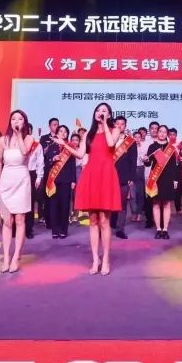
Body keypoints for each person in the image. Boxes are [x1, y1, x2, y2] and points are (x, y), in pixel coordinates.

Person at [55, 102, 122, 275]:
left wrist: (105, 124)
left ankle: (106, 259)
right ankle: (95, 259)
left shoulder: (114, 130)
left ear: (109, 115)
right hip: (91, 174)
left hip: (106, 174)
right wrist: (64, 144)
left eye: (104, 111)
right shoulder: (88, 134)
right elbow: (80, 154)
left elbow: (110, 143)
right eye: (98, 110)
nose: (100, 113)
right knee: (93, 220)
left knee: (104, 220)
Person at [0, 110, 34, 273]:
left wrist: (19, 135)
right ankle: (6, 257)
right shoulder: (3, 140)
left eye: (20, 119)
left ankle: (16, 256)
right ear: (10, 122)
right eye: (13, 119)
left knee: (20, 219)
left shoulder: (28, 138)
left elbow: (24, 152)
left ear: (24, 122)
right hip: (6, 180)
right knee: (7, 221)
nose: (16, 121)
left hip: (21, 180)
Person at [144, 124, 180, 239]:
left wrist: (175, 180)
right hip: (156, 178)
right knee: (156, 203)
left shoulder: (171, 148)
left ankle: (165, 230)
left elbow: (174, 166)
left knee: (166, 204)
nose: (162, 134)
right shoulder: (152, 146)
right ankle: (158, 229)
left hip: (168, 178)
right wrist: (145, 160)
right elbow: (148, 163)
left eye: (165, 132)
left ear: (167, 134)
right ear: (157, 132)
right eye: (160, 131)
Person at [45, 125, 76, 238]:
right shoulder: (51, 147)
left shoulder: (70, 147)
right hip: (54, 180)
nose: (63, 133)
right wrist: (53, 159)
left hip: (66, 180)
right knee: (54, 206)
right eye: (61, 131)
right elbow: (47, 162)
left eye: (65, 132)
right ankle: (55, 230)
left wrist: (73, 180)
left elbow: (73, 165)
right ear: (57, 133)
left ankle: (63, 230)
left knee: (65, 206)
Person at [110, 116, 137, 239]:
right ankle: (107, 226)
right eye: (118, 124)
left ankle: (120, 229)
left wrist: (131, 177)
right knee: (107, 203)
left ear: (125, 126)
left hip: (124, 177)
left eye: (122, 124)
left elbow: (133, 160)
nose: (120, 126)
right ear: (114, 125)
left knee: (122, 204)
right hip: (108, 176)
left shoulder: (130, 141)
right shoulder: (109, 139)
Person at [26, 126, 43, 240]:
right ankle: (15, 227)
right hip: (18, 173)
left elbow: (40, 162)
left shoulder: (37, 145)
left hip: (31, 174)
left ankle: (29, 228)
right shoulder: (16, 143)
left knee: (29, 202)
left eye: (28, 130)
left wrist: (38, 177)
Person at [131, 127, 149, 224]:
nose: (137, 139)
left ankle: (139, 213)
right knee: (133, 195)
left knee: (141, 194)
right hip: (132, 171)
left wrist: (145, 158)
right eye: (135, 137)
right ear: (132, 138)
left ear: (141, 138)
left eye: (139, 137)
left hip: (141, 170)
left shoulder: (144, 148)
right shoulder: (129, 148)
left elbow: (146, 160)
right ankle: (134, 213)